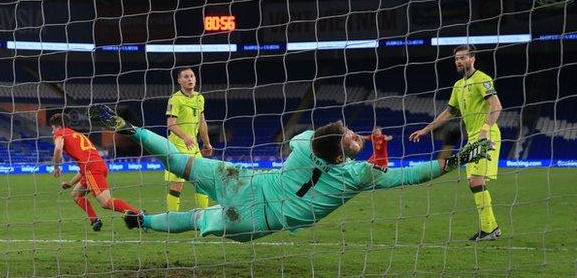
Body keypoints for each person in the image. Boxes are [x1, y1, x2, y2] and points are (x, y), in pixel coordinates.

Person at [89, 105, 491, 242]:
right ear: (343, 152)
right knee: (196, 219)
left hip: (245, 180)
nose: (357, 135)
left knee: (180, 162)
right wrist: (457, 158)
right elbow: (413, 174)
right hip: (258, 219)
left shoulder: (302, 143)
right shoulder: (356, 177)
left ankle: (131, 129)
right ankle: (142, 221)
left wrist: (362, 150)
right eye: (352, 136)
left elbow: (324, 141)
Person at [409, 44, 503, 241]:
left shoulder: (483, 79)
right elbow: (449, 112)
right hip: (473, 138)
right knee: (475, 182)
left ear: (472, 58)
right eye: (456, 59)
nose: (459, 61)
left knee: (476, 180)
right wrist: (426, 130)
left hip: (486, 135)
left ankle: (489, 229)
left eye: (463, 57)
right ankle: (491, 228)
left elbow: (496, 106)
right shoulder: (458, 86)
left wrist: (485, 130)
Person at [50, 113, 140, 231]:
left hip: (92, 169)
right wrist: (71, 183)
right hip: (97, 166)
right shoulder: (77, 135)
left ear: (58, 127)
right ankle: (95, 221)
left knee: (105, 202)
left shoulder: (60, 132)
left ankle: (139, 214)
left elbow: (57, 148)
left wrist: (56, 167)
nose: (52, 133)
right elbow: (84, 168)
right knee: (76, 194)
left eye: (52, 129)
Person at [164, 67, 213, 211]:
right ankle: (172, 218)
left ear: (195, 79)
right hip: (177, 147)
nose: (190, 79)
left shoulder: (200, 98)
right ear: (179, 80)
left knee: (202, 180)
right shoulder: (175, 99)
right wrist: (185, 136)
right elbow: (171, 125)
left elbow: (202, 122)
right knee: (177, 184)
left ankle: (204, 216)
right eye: (186, 76)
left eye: (192, 76)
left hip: (194, 147)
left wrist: (207, 143)